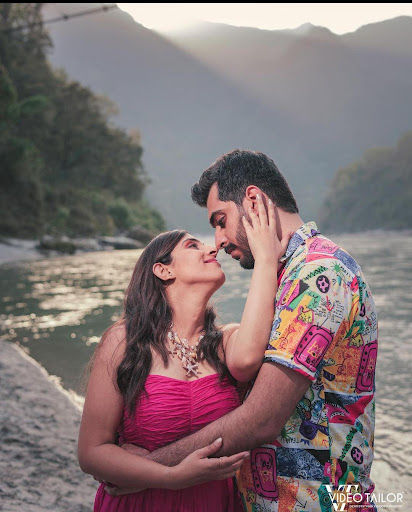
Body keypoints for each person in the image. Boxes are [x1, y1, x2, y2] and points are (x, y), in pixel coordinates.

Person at [115, 150, 378, 512]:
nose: (218, 240)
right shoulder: (285, 275)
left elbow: (262, 419)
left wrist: (146, 468)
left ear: (253, 200)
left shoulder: (318, 274)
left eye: (220, 220)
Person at [78, 195, 291, 511]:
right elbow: (91, 452)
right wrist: (171, 477)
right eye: (193, 246)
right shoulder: (124, 340)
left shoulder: (225, 342)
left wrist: (265, 258)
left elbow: (247, 360)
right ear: (163, 270)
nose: (211, 248)